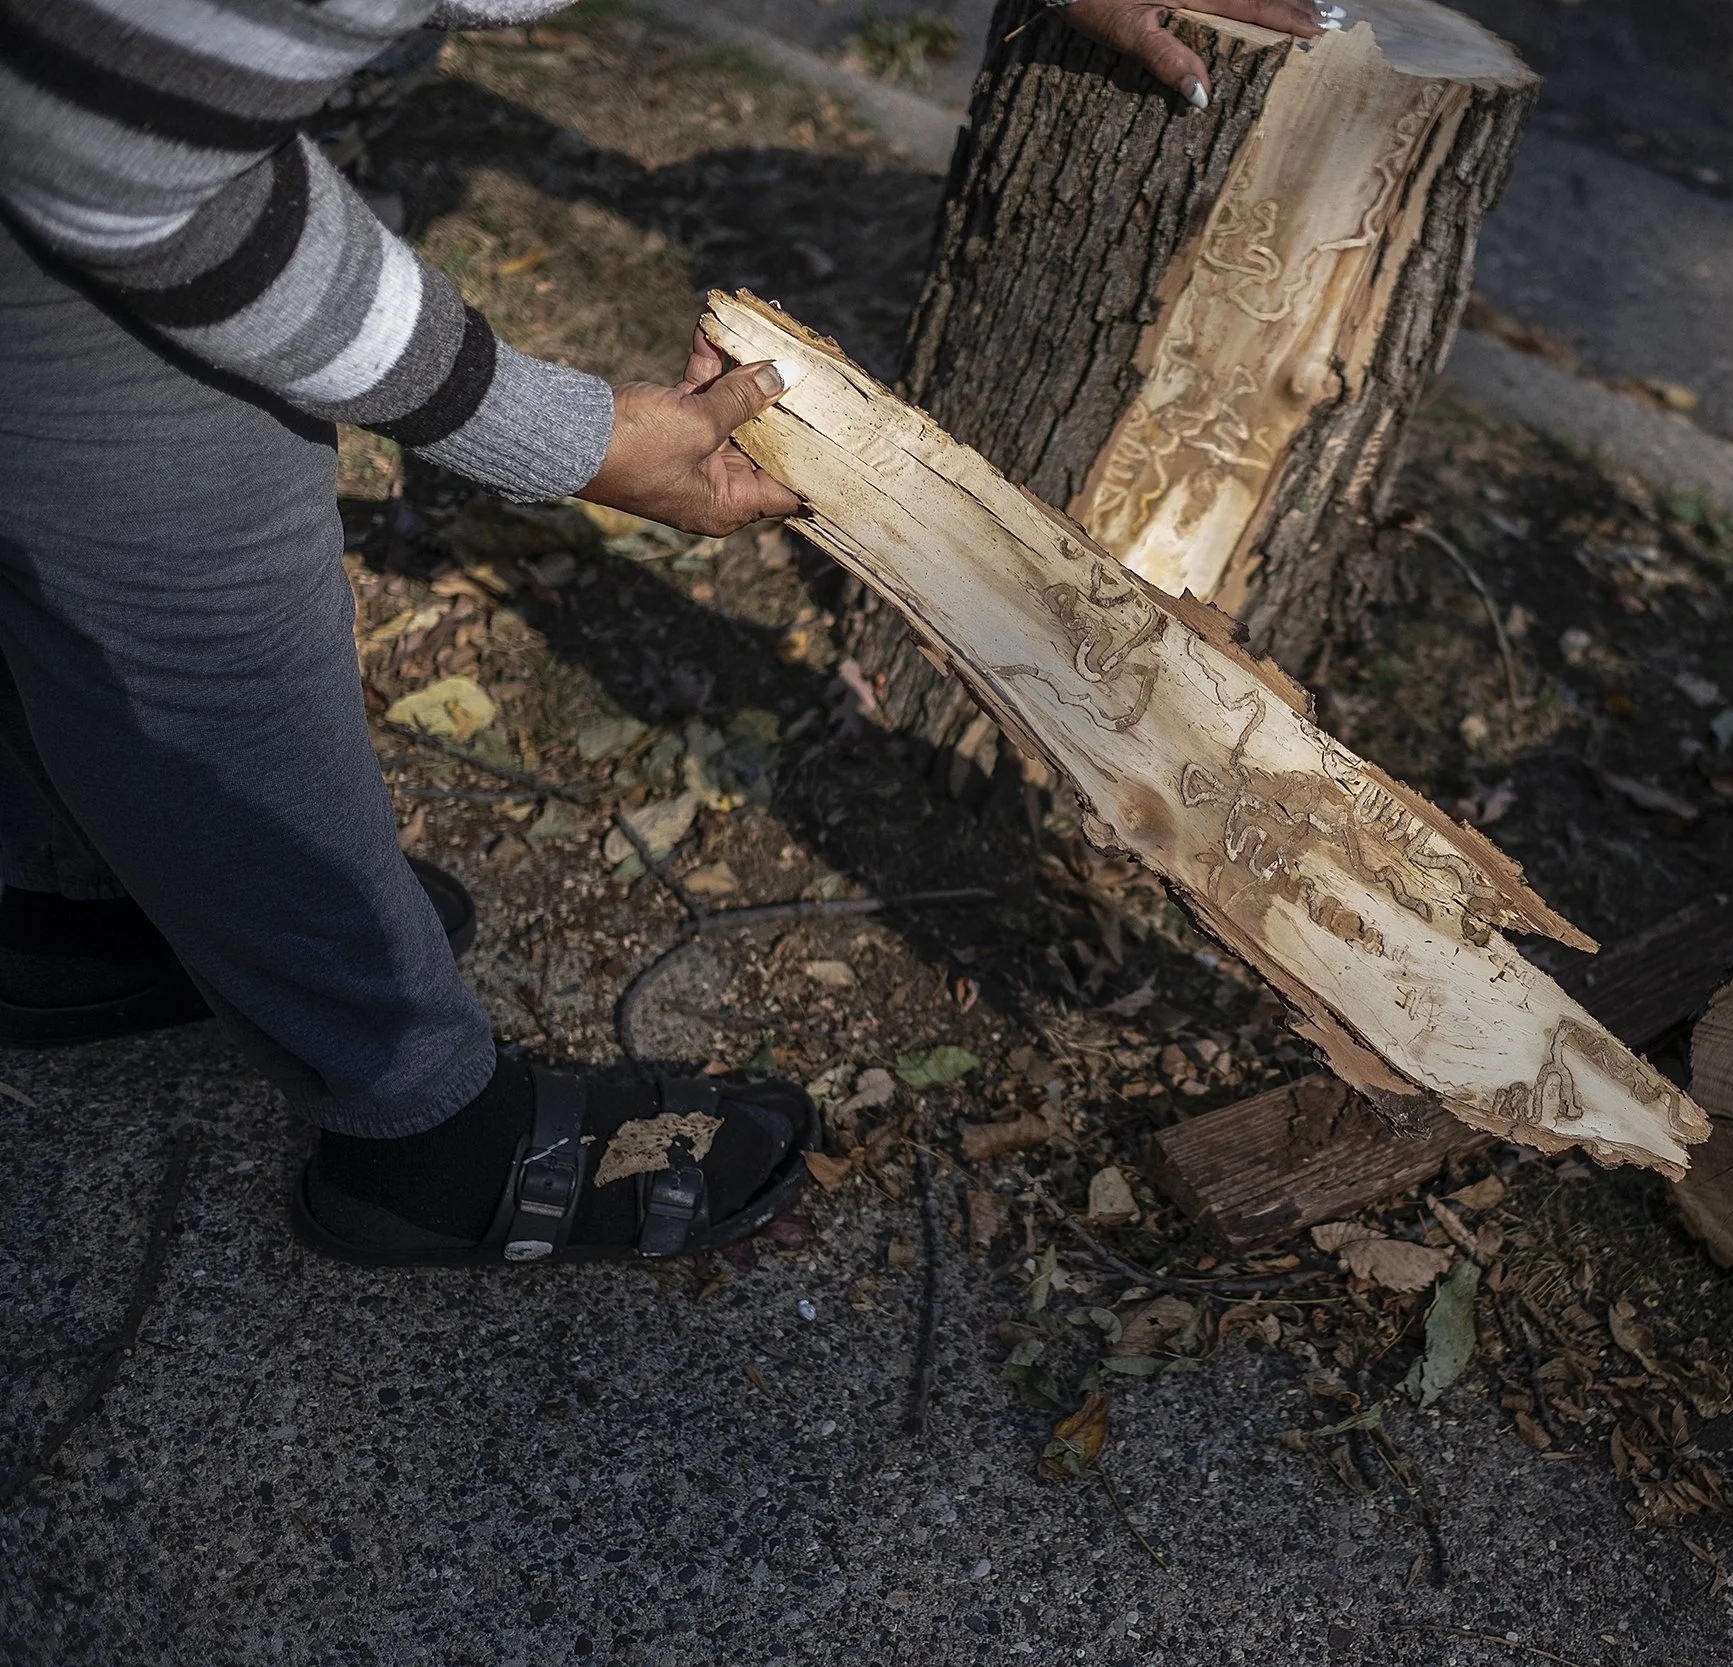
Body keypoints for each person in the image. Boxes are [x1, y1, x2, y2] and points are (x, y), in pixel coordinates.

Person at [0, 0, 1325, 1266]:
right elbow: (118, 159)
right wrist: (553, 435)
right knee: (197, 560)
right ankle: (421, 1138)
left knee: (85, 515)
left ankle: (84, 911)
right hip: (85, 141)